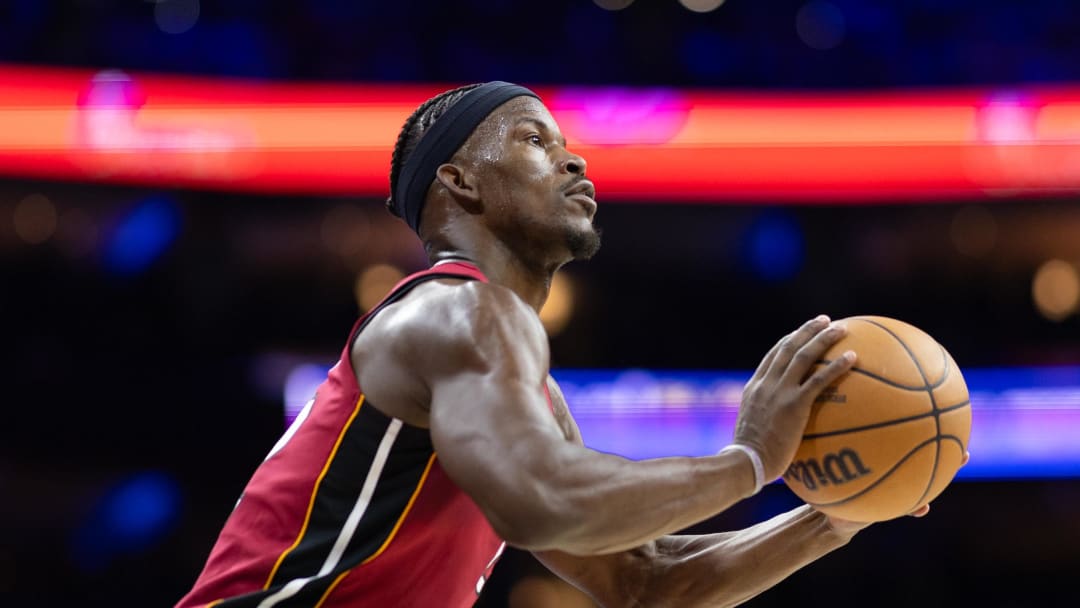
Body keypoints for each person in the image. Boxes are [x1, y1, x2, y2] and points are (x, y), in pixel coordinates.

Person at [176, 81, 951, 608]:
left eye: (567, 143)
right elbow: (540, 504)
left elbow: (647, 585)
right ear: (463, 185)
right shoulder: (458, 313)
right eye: (534, 141)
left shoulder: (510, 378)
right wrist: (750, 459)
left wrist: (840, 514)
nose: (574, 158)